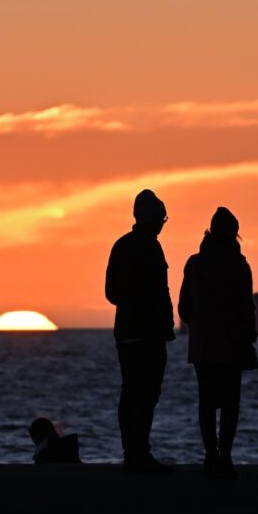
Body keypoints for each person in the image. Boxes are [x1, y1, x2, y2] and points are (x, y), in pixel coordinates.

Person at [178, 207, 257, 479]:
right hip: (232, 344)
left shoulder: (194, 263)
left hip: (202, 345)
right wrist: (248, 334)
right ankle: (225, 456)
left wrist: (199, 325)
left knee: (206, 402)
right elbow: (247, 306)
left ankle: (211, 455)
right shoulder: (239, 265)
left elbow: (183, 308)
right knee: (230, 403)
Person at [105, 189, 176, 475]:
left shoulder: (122, 246)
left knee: (132, 392)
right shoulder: (149, 247)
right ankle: (138, 453)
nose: (162, 224)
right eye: (161, 218)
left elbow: (111, 293)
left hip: (130, 333)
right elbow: (156, 292)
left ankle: (132, 451)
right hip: (147, 334)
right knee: (145, 394)